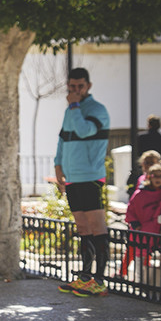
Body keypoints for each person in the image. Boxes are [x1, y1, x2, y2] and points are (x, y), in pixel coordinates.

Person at [54, 67, 111, 297]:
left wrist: (75, 105)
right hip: (73, 177)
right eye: (72, 86)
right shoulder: (71, 110)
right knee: (82, 227)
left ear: (88, 86)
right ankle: (85, 277)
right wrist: (58, 164)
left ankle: (100, 280)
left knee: (97, 226)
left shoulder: (97, 110)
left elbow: (84, 130)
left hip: (90, 176)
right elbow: (63, 138)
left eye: (80, 86)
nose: (75, 90)